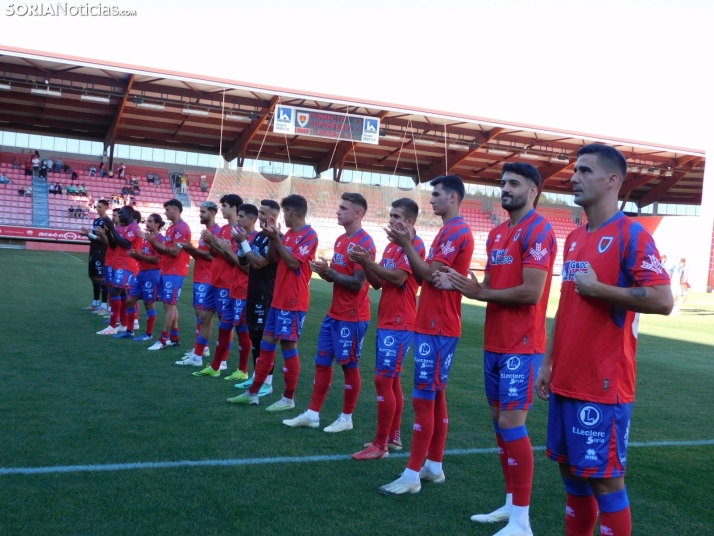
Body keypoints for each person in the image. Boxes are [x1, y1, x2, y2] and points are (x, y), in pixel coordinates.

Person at [535, 144, 673, 536]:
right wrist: (548, 364)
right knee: (571, 473)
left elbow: (663, 299)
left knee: (605, 480)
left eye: (584, 170)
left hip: (604, 383)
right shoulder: (575, 237)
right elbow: (566, 304)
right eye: (574, 170)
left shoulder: (632, 234)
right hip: (566, 378)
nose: (573, 177)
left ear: (612, 180)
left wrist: (601, 290)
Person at [444, 163, 557, 534]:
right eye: (503, 183)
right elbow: (489, 286)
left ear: (534, 191)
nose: (504, 189)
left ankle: (522, 521)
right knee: (499, 423)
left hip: (521, 346)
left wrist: (483, 292)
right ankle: (511, 504)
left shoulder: (539, 230)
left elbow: (531, 292)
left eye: (514, 184)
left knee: (512, 423)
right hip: (494, 342)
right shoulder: (496, 233)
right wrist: (461, 284)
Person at [378, 174, 474, 495]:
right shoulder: (448, 230)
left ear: (453, 198)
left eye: (436, 195)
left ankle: (412, 475)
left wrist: (406, 244)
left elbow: (430, 276)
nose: (431, 200)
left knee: (424, 397)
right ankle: (433, 465)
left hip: (438, 326)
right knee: (436, 394)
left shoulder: (456, 231)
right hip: (435, 323)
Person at [282, 192, 376, 432]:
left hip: (353, 316)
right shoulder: (340, 240)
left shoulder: (365, 243)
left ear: (358, 213)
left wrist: (330, 273)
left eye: (343, 208)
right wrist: (324, 270)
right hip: (334, 313)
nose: (338, 211)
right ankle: (313, 414)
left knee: (349, 365)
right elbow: (337, 277)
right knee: (322, 361)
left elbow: (357, 283)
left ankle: (346, 418)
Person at [348, 198, 425, 460]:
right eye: (390, 215)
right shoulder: (392, 247)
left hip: (401, 323)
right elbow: (379, 283)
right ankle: (393, 437)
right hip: (387, 321)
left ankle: (380, 445)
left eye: (397, 216)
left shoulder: (414, 245)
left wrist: (369, 262)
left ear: (410, 221)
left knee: (383, 379)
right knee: (391, 380)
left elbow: (399, 278)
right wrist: (364, 261)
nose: (391, 220)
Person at [227, 194, 318, 412]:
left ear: (290, 212)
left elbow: (294, 263)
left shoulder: (309, 235)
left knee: (288, 348)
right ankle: (253, 393)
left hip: (293, 301)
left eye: (284, 212)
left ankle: (288, 398)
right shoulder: (285, 234)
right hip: (277, 299)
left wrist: (276, 239)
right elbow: (273, 258)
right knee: (266, 347)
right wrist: (272, 237)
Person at [186, 195, 250, 376]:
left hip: (227, 283)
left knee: (226, 322)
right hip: (214, 280)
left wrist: (217, 244)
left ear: (235, 208)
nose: (222, 209)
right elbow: (215, 255)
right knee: (204, 316)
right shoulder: (222, 229)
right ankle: (197, 356)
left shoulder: (239, 231)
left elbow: (234, 260)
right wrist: (211, 243)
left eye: (225, 206)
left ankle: (222, 361)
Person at [224, 199, 281, 388]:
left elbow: (259, 263)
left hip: (266, 294)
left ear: (272, 217)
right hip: (254, 292)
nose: (259, 216)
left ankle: (267, 381)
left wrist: (244, 244)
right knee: (255, 336)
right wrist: (241, 244)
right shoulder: (257, 237)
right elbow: (244, 263)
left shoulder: (274, 238)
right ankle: (257, 376)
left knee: (264, 339)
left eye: (263, 213)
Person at [204, 203, 261, 378]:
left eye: (242, 216)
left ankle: (242, 371)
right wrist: (221, 248)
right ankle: (214, 367)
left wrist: (227, 249)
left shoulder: (255, 239)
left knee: (242, 330)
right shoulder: (239, 236)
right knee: (224, 327)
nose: (239, 219)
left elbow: (248, 269)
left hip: (245, 292)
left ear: (252, 220)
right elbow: (232, 262)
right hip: (233, 289)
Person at [169, 201, 220, 352]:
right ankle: (200, 347)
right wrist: (190, 250)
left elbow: (212, 257)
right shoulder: (206, 231)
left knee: (203, 313)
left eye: (203, 212)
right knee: (199, 312)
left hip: (207, 276)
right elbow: (199, 256)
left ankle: (203, 347)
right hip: (199, 274)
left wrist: (192, 249)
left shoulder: (215, 232)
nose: (200, 215)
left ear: (212, 213)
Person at [143, 199, 192, 350]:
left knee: (169, 305)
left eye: (168, 210)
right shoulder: (171, 228)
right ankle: (174, 338)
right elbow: (163, 250)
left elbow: (175, 252)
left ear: (176, 210)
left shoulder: (182, 228)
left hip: (176, 271)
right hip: (167, 270)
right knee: (169, 305)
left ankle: (163, 339)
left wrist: (154, 242)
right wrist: (153, 243)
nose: (165, 213)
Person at [96, 206, 143, 335]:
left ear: (128, 214)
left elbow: (124, 243)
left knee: (115, 290)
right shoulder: (121, 228)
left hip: (128, 264)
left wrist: (112, 229)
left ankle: (113, 325)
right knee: (121, 293)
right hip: (119, 263)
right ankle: (123, 324)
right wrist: (108, 232)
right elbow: (113, 244)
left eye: (121, 213)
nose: (118, 215)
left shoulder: (134, 228)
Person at [117, 214, 166, 340]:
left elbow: (156, 260)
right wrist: (135, 255)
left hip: (152, 273)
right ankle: (129, 330)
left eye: (150, 221)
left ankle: (148, 334)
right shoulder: (145, 238)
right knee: (130, 301)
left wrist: (140, 257)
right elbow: (143, 254)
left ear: (157, 224)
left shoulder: (160, 239)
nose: (147, 223)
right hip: (141, 273)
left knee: (148, 303)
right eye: (147, 221)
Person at [79, 199, 111, 314]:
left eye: (100, 207)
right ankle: (95, 303)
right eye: (96, 207)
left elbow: (104, 240)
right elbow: (93, 237)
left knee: (101, 278)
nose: (97, 209)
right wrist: (87, 234)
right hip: (93, 251)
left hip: (101, 252)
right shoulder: (96, 221)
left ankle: (104, 306)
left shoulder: (107, 222)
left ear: (106, 207)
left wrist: (89, 234)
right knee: (93, 277)